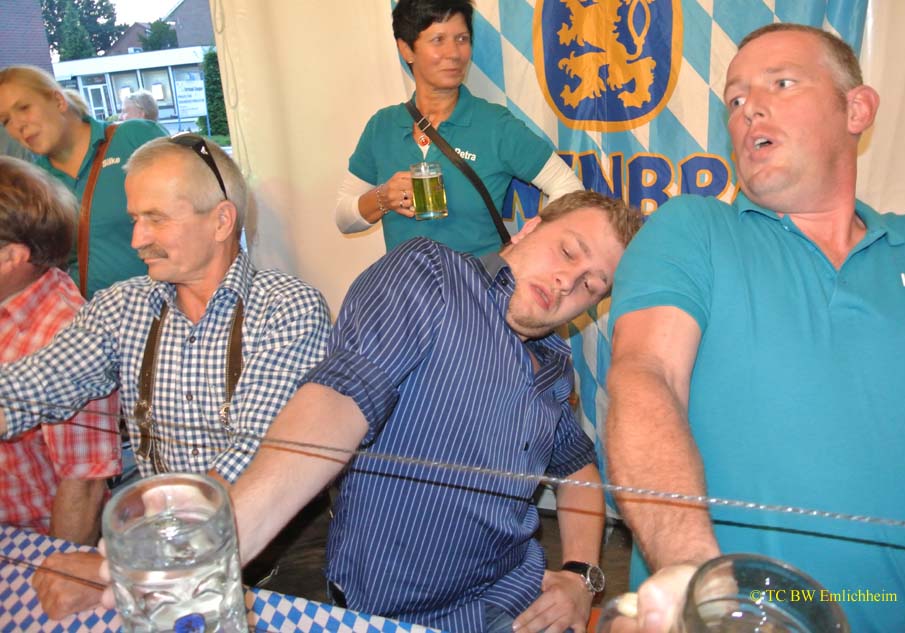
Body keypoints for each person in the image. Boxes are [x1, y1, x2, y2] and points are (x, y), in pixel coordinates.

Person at [605, 23, 905, 633]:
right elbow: (646, 374)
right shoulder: (694, 228)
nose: (748, 108)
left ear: (857, 109)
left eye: (781, 84)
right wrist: (698, 581)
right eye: (734, 99)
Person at [211, 190, 640, 633]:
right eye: (567, 252)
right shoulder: (433, 276)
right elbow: (340, 399)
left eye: (591, 285)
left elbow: (578, 469)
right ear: (529, 228)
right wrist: (217, 552)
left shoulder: (555, 366)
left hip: (515, 601)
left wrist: (581, 576)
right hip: (392, 615)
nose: (568, 281)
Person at [0, 135, 332, 618]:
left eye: (155, 218)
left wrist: (121, 567)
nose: (137, 239)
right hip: (163, 545)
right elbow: (34, 385)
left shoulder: (288, 307)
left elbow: (252, 456)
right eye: (135, 219)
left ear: (221, 221)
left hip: (279, 559)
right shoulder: (123, 306)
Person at [334, 0, 584, 257]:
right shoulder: (383, 126)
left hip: (478, 282)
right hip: (404, 282)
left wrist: (527, 248)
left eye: (462, 39)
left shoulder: (495, 124)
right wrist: (383, 198)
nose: (454, 53)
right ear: (406, 49)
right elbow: (344, 217)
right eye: (438, 40)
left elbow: (568, 187)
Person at [0, 156, 121, 545]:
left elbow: (84, 485)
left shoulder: (68, 335)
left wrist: (58, 567)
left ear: (12, 256)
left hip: (26, 541)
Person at [0, 65, 167, 297]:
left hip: (167, 307)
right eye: (6, 120)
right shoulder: (32, 186)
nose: (18, 125)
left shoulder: (134, 137)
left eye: (24, 107)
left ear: (58, 100)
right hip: (87, 315)